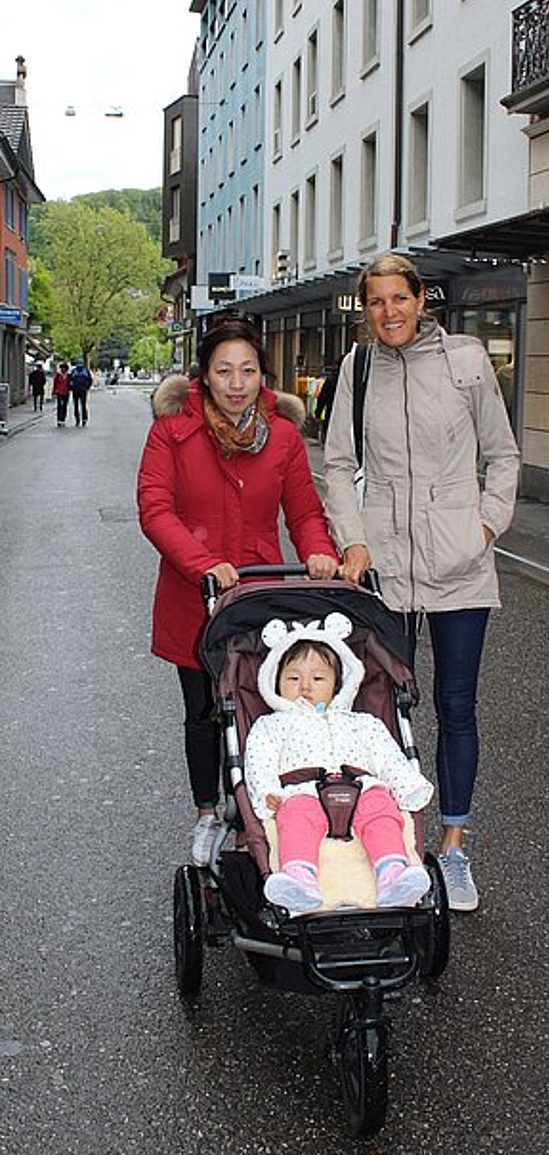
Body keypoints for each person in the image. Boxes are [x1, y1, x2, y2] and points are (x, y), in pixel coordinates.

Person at [324, 254, 520, 912]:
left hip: (462, 567)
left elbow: (503, 453)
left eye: (398, 298)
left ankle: (455, 847)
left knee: (455, 706)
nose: (388, 312)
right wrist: (354, 539)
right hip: (384, 567)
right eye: (375, 301)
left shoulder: (465, 361)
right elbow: (339, 464)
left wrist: (486, 527)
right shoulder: (355, 371)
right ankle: (395, 847)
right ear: (366, 308)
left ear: (420, 297)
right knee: (381, 712)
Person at [137, 315, 340, 868]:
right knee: (204, 711)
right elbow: (155, 509)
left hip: (260, 595)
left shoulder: (283, 438)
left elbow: (303, 511)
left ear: (261, 376)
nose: (236, 383)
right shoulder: (171, 433)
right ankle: (208, 813)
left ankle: (264, 810)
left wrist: (319, 549)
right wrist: (204, 563)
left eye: (247, 370)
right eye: (223, 370)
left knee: (263, 709)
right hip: (193, 595)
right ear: (204, 374)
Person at [244, 613, 432, 914]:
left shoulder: (361, 722)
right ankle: (299, 879)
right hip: (301, 789)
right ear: (275, 682)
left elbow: (387, 755)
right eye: (293, 678)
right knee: (295, 819)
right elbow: (258, 761)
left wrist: (407, 784)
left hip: (362, 785)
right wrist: (268, 791)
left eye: (317, 678)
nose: (305, 686)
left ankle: (392, 873)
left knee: (382, 813)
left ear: (338, 684)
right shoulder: (271, 725)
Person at [313, 361, 340, 442]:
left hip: (331, 411)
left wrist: (318, 413)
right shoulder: (353, 380)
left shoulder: (331, 380)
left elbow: (322, 398)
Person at [69, 361, 93, 426]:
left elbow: (90, 380)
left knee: (82, 405)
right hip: (76, 390)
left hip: (82, 390)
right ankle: (78, 419)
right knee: (77, 406)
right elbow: (70, 380)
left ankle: (83, 419)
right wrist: (71, 387)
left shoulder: (85, 371)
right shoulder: (74, 371)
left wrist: (87, 387)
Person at [52, 362, 71, 427]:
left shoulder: (68, 376)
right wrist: (54, 392)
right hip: (59, 392)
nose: (63, 369)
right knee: (60, 406)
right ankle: (59, 419)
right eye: (62, 368)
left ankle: (63, 419)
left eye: (64, 368)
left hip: (66, 392)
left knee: (65, 406)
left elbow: (70, 384)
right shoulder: (58, 375)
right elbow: (55, 383)